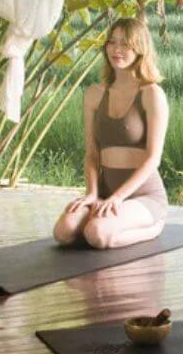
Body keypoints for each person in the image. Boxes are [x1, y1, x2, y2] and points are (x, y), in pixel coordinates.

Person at [52, 18, 169, 249]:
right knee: (63, 231)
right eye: (112, 42)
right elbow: (92, 153)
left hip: (143, 195)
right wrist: (92, 194)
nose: (117, 49)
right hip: (106, 192)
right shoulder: (94, 94)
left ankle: (154, 227)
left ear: (140, 49)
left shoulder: (152, 94)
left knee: (97, 234)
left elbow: (153, 159)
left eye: (125, 44)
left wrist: (118, 198)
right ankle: (108, 218)